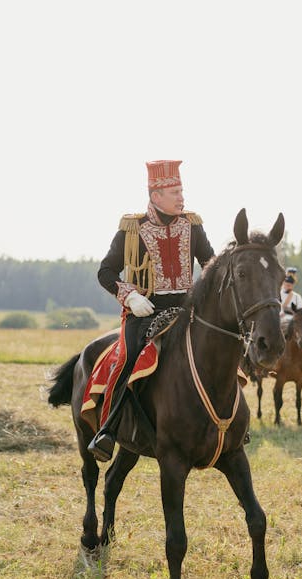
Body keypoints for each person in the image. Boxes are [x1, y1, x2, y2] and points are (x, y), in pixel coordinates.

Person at [88, 160, 215, 461]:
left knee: (219, 351)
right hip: (144, 312)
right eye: (174, 192)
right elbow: (106, 272)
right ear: (156, 195)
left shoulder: (193, 224)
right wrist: (130, 297)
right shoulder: (132, 229)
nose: (181, 197)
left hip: (187, 311)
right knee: (126, 358)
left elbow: (210, 263)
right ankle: (108, 429)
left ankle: (231, 423)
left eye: (182, 190)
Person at [280, 270, 302, 380]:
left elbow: (301, 311)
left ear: (293, 285)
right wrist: (282, 313)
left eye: (290, 284)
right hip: (281, 320)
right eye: (286, 283)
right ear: (283, 283)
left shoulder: (297, 297)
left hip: (296, 321)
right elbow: (276, 307)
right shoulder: (278, 293)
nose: (288, 286)